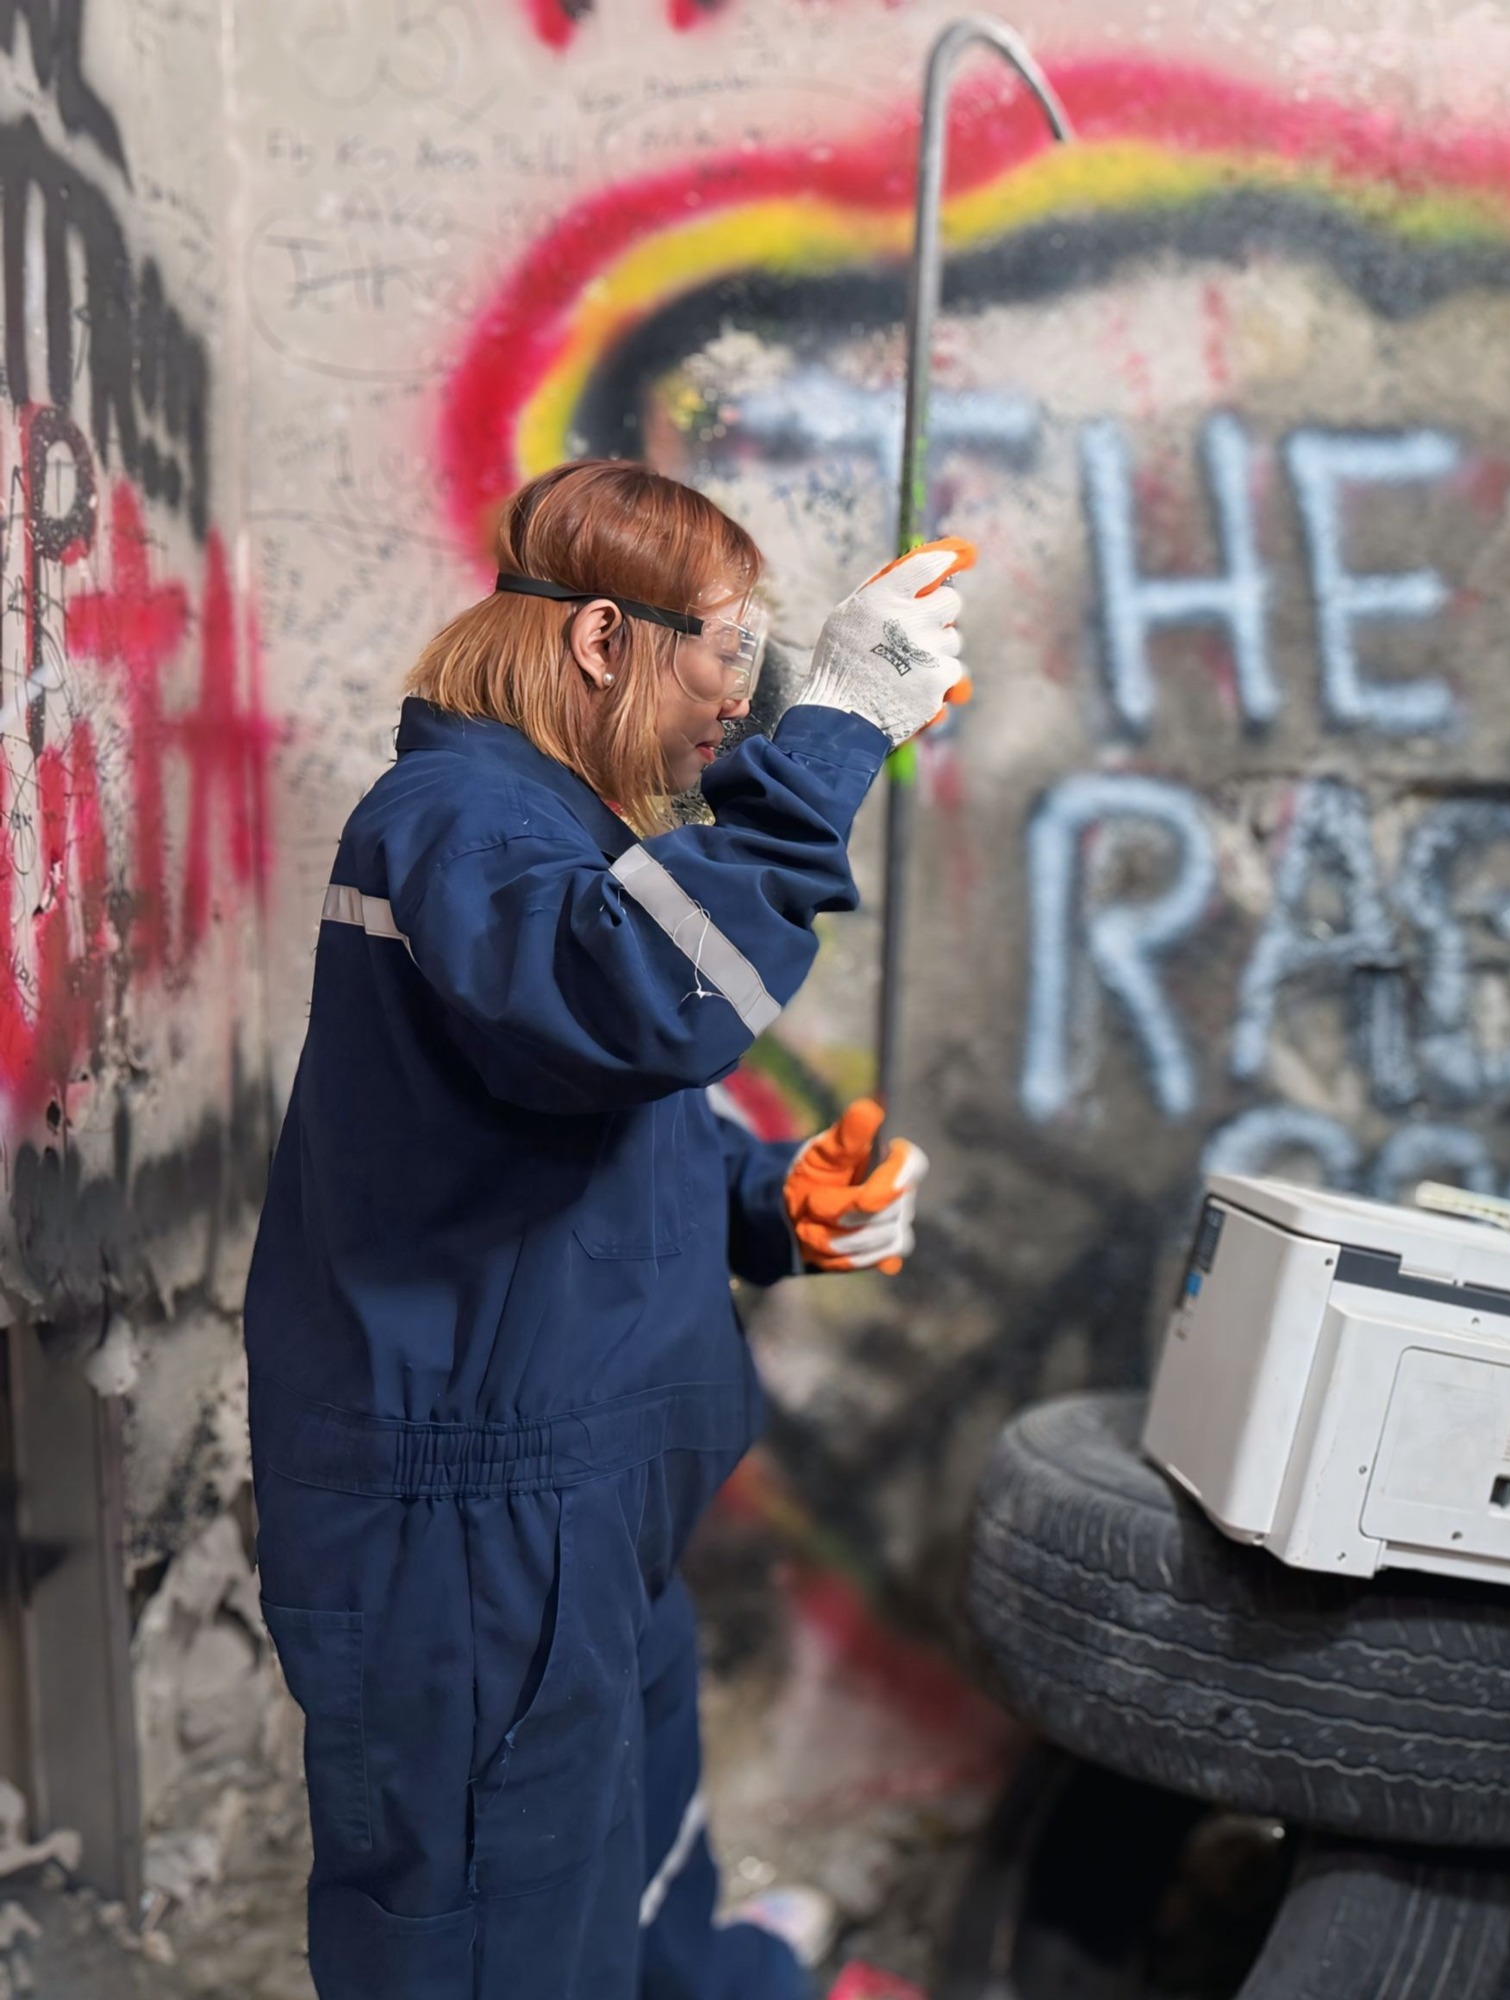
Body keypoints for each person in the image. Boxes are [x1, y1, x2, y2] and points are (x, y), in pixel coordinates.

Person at [245, 460, 973, 1997]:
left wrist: (771, 1202)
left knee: (629, 1868)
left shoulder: (549, 830)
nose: (744, 694)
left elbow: (580, 1113)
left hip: (578, 1510)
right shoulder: (454, 821)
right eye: (726, 645)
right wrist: (832, 736)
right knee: (503, 1938)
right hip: (474, 1534)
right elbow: (626, 1004)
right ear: (598, 639)